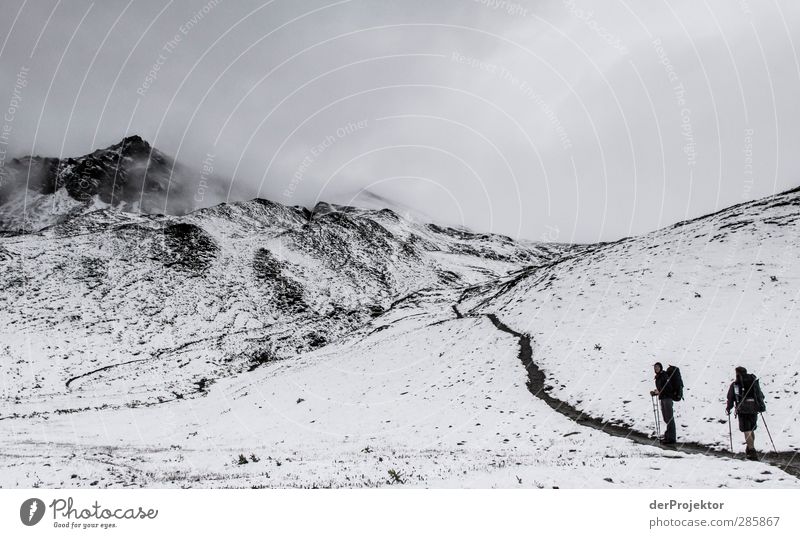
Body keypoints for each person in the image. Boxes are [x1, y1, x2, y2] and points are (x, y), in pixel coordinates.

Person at [726, 366, 766, 460]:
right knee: (751, 429)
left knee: (746, 430)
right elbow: (761, 395)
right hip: (754, 408)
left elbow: (730, 397)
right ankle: (749, 449)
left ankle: (752, 451)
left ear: (737, 373)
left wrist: (729, 408)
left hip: (743, 409)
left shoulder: (736, 384)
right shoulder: (753, 382)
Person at [650, 362, 676, 445]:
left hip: (667, 398)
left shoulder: (664, 375)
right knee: (666, 418)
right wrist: (656, 392)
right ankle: (668, 436)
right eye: (655, 367)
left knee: (669, 418)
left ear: (661, 367)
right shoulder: (658, 377)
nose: (656, 368)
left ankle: (671, 438)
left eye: (657, 367)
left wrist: (659, 391)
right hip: (663, 398)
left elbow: (668, 388)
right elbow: (662, 388)